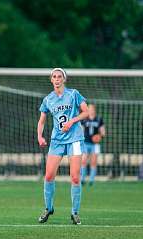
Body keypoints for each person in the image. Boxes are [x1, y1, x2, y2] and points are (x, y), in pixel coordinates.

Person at [37, 68, 88, 225]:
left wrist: (72, 121)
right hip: (57, 141)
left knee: (75, 176)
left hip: (75, 140)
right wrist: (40, 135)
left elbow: (85, 112)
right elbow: (42, 120)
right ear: (51, 80)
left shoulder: (73, 94)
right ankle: (48, 208)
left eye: (60, 76)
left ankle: (75, 212)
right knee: (49, 175)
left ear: (64, 79)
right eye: (54, 76)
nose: (57, 79)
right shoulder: (48, 99)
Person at [80, 104, 105, 186]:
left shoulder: (99, 119)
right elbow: (80, 131)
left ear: (94, 110)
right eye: (89, 109)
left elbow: (103, 132)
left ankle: (91, 181)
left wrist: (99, 136)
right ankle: (82, 179)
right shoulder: (84, 119)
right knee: (83, 161)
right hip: (85, 142)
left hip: (95, 144)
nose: (91, 110)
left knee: (93, 162)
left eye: (92, 109)